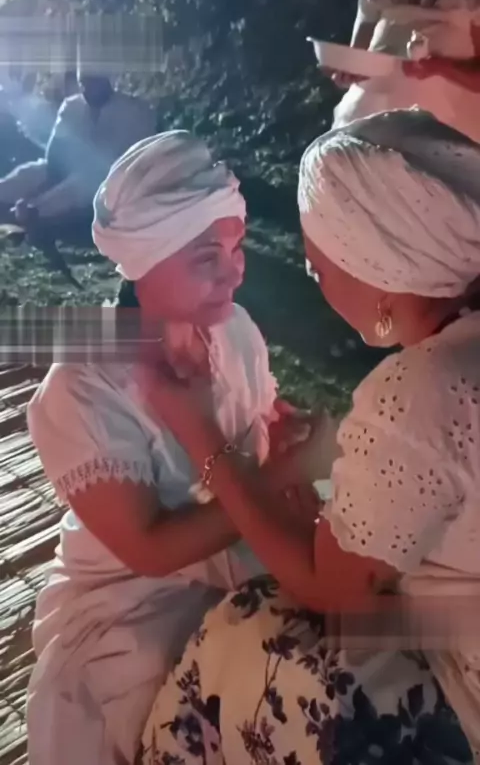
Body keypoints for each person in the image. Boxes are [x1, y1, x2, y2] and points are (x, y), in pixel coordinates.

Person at [139, 109, 480, 764]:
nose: (310, 273)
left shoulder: (419, 391)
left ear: (378, 267)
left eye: (318, 260)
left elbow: (337, 591)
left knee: (253, 626)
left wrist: (204, 441)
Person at [25, 130, 328, 765]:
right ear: (144, 261)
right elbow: (151, 551)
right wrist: (280, 475)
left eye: (236, 248)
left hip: (242, 546)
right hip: (132, 601)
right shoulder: (83, 386)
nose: (234, 270)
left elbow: (259, 431)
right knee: (183, 689)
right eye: (205, 256)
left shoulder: (234, 331)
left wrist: (283, 440)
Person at [329, 0, 480, 142]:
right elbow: (356, 59)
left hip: (443, 141)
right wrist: (346, 71)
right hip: (366, 131)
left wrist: (441, 67)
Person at [0, 67, 155, 226]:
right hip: (72, 168)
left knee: (82, 184)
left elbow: (141, 158)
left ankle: (33, 212)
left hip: (114, 178)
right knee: (30, 172)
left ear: (106, 81)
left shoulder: (135, 110)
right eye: (84, 84)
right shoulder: (72, 105)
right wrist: (51, 174)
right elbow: (55, 152)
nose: (87, 89)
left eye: (93, 83)